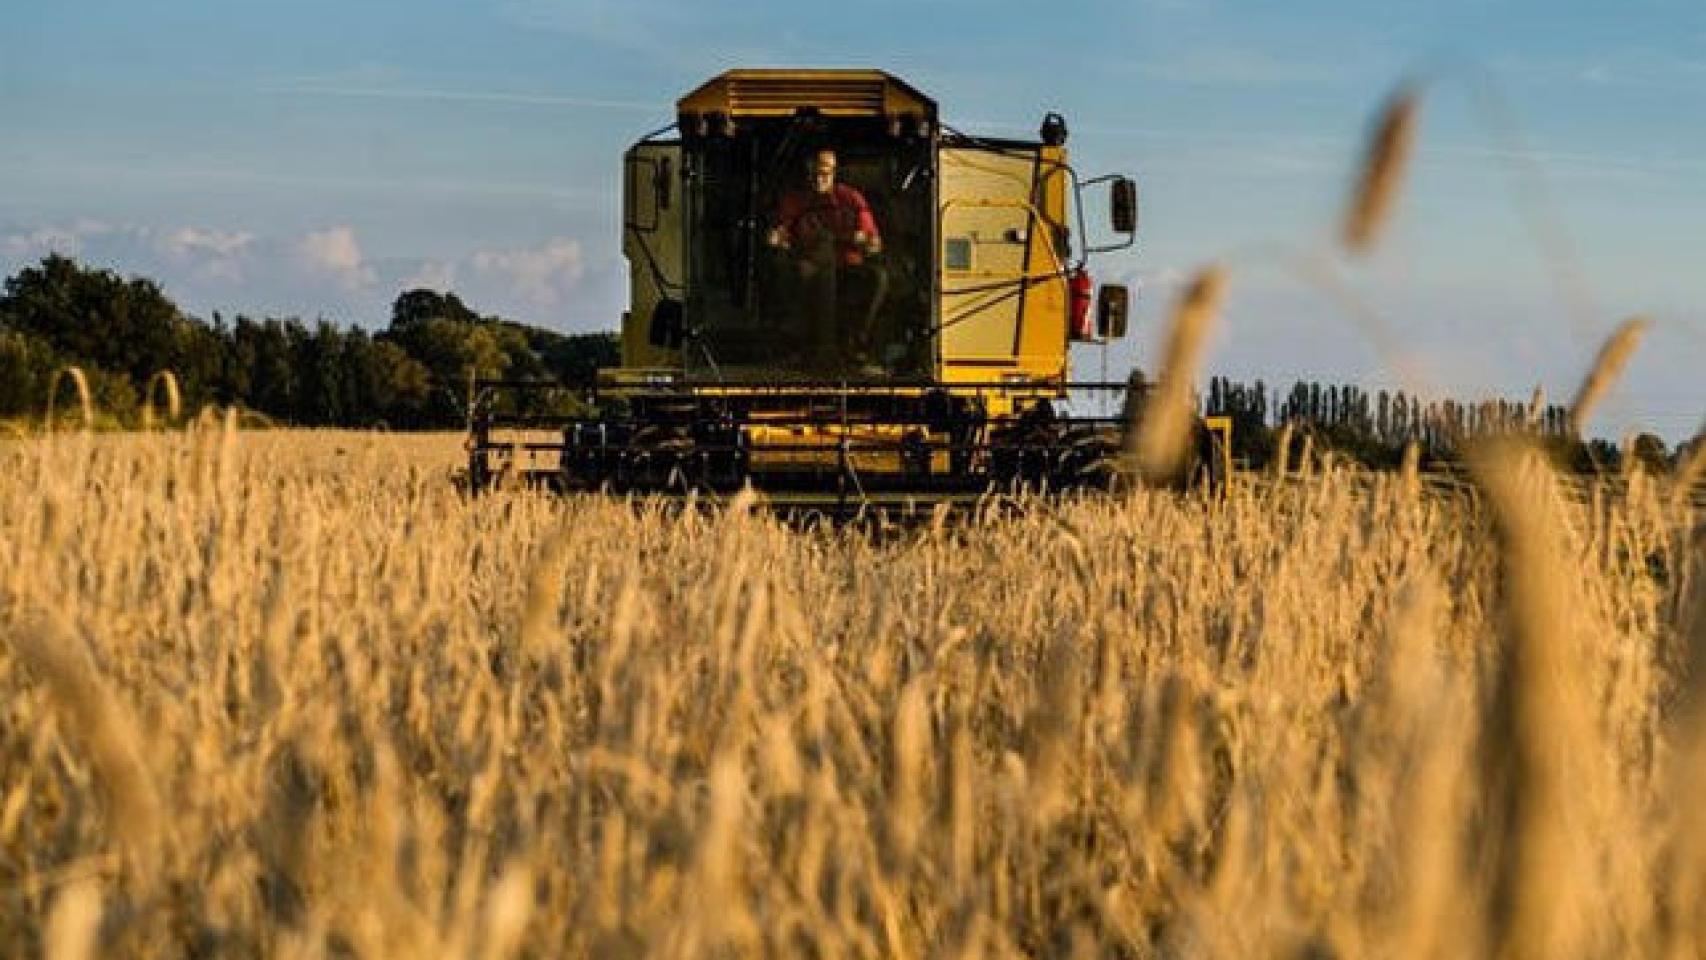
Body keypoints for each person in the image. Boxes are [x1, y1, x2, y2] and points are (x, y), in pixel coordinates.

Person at [767, 148, 888, 368]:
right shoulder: (794, 201)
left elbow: (874, 241)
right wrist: (777, 238)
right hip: (809, 264)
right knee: (793, 273)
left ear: (834, 173)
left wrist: (867, 242)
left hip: (847, 266)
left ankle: (856, 344)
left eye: (824, 173)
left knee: (878, 278)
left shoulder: (851, 198)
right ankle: (800, 345)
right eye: (814, 172)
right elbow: (781, 232)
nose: (818, 178)